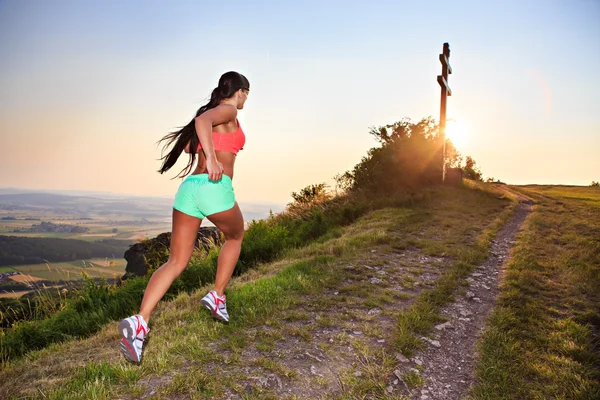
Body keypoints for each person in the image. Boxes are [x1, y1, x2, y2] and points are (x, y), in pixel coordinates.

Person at [119, 71, 250, 364]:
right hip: (214, 186)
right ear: (240, 91)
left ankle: (140, 321)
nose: (245, 101)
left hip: (189, 189)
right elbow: (201, 122)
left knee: (175, 262)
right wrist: (215, 159)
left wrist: (210, 151)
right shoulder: (227, 110)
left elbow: (193, 142)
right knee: (235, 236)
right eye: (246, 95)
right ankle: (216, 296)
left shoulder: (215, 116)